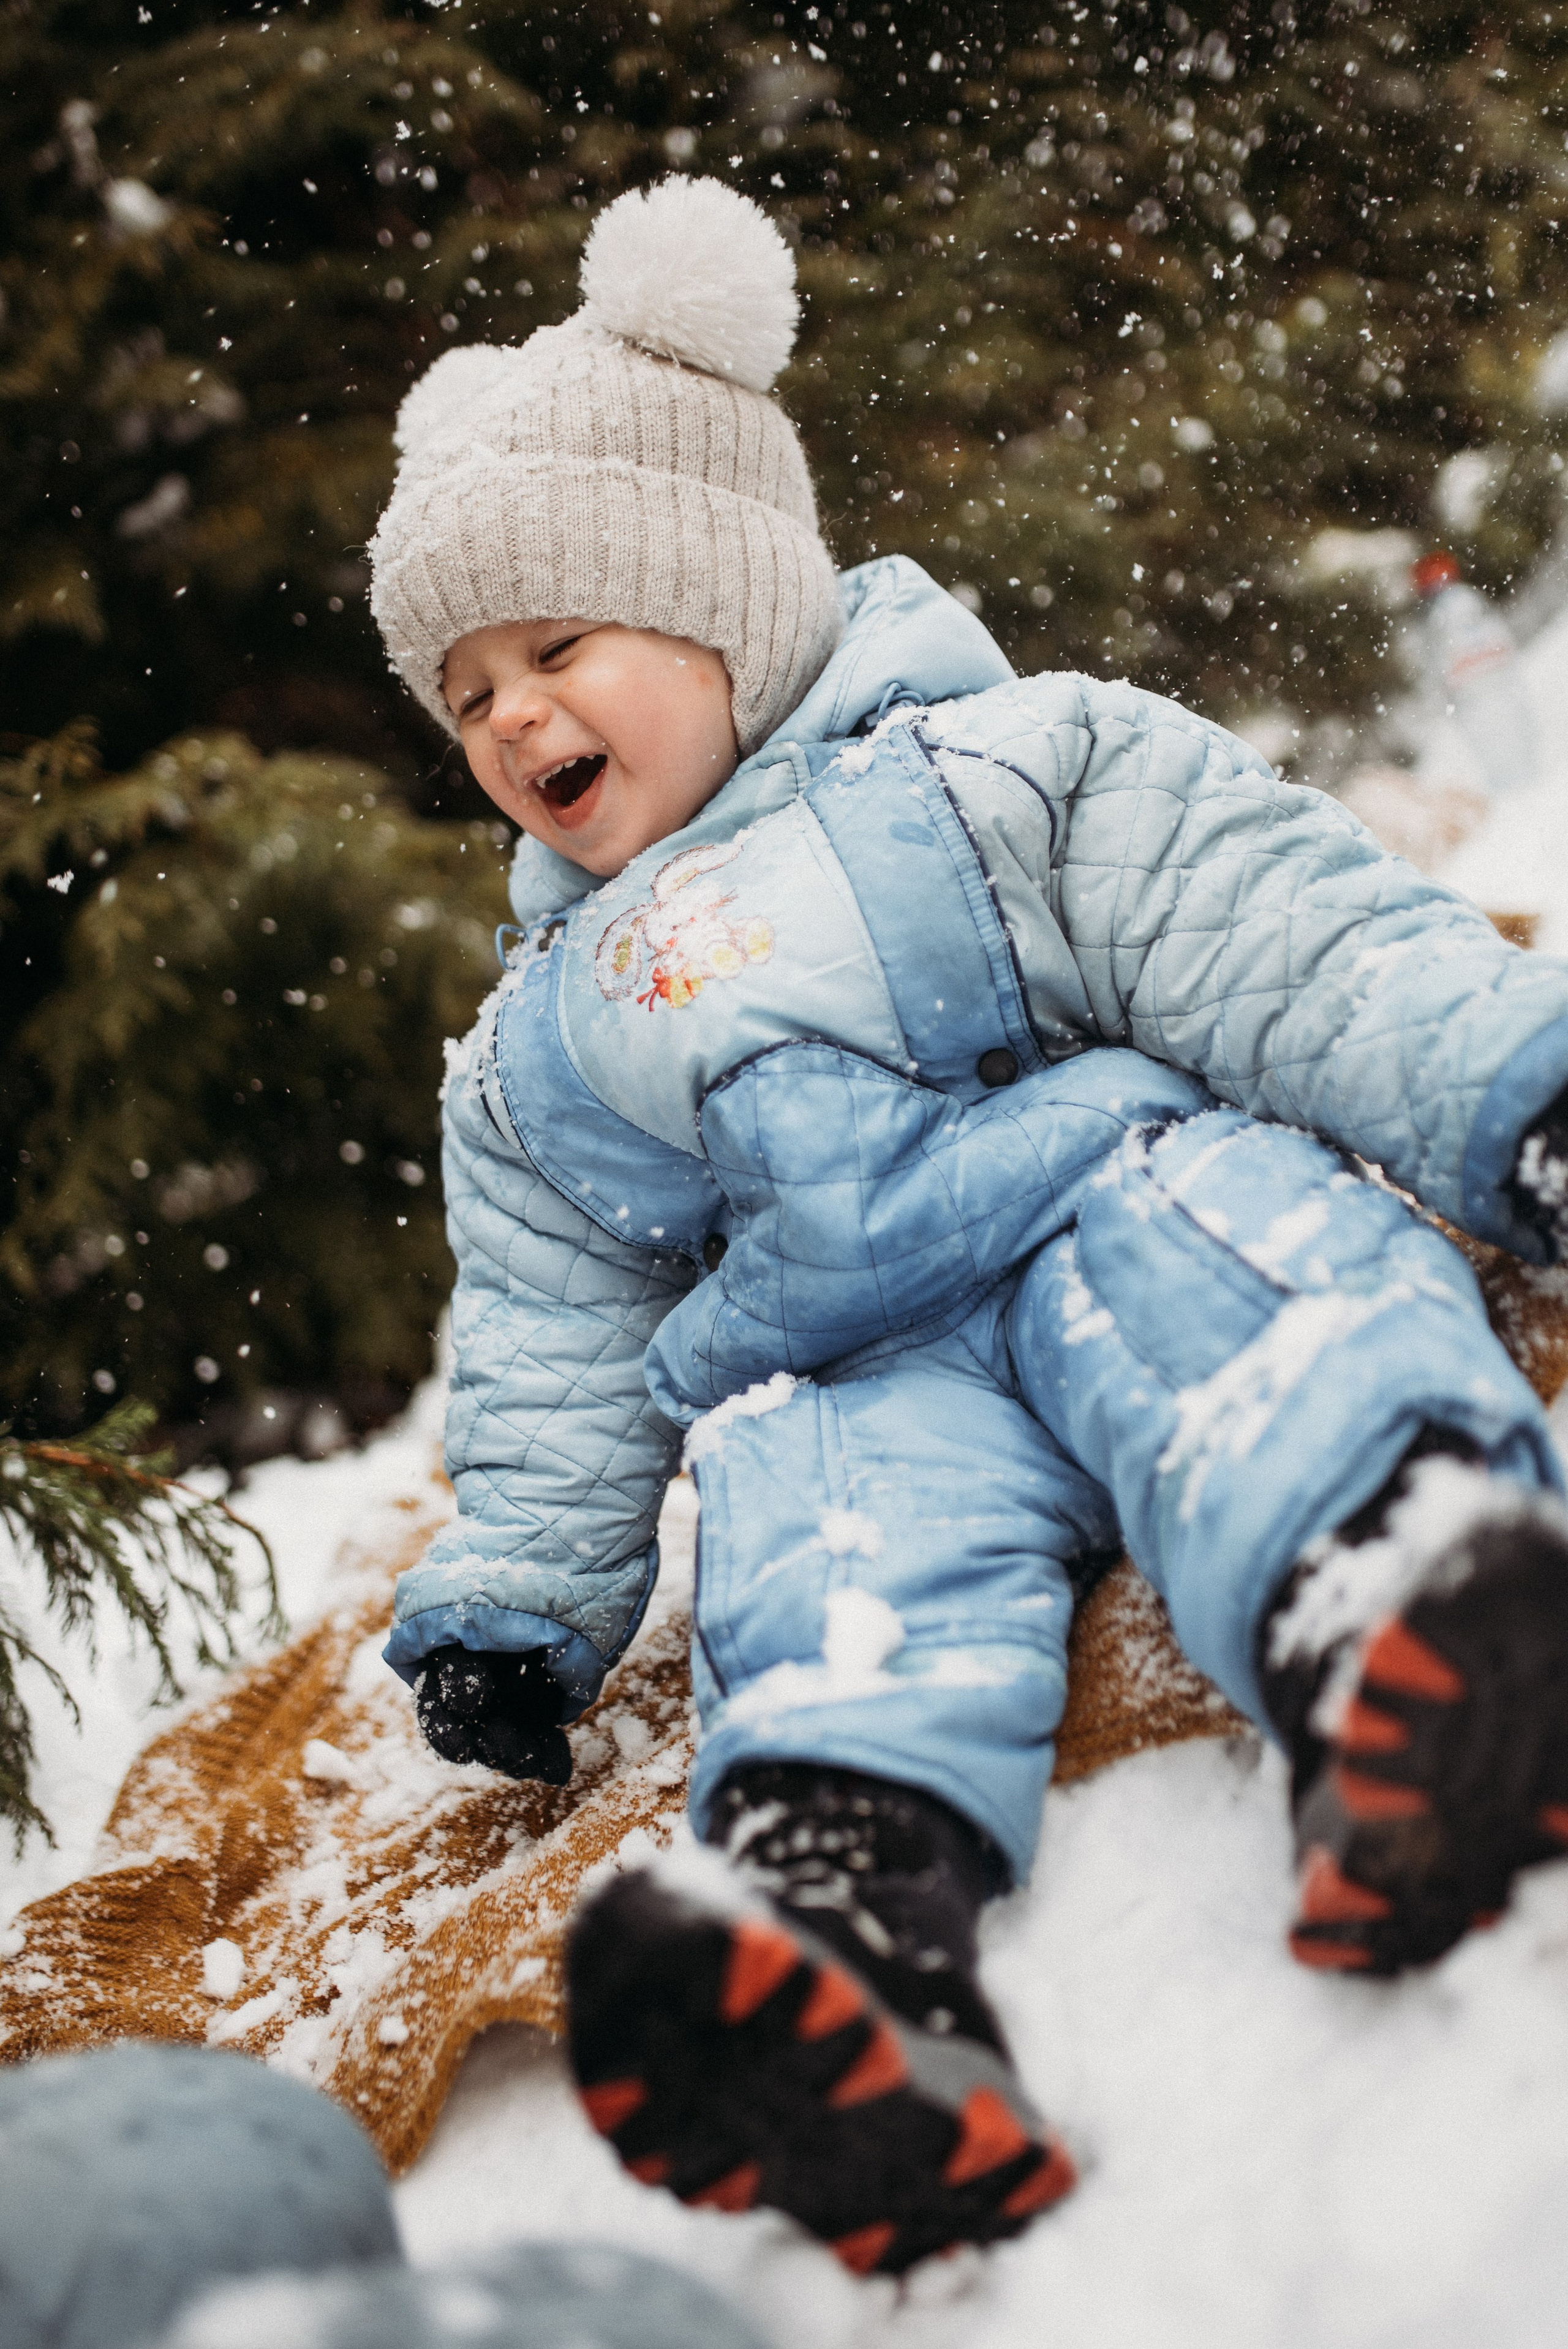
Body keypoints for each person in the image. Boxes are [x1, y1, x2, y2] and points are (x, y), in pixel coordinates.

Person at [366, 178, 1568, 2277]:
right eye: (467, 694)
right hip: (843, 1369)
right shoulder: (535, 1049)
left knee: (1259, 1305)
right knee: (821, 1565)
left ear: (725, 601)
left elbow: (1276, 930)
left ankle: (1415, 1632)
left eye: (559, 645)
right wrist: (522, 1599)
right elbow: (553, 1329)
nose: (516, 718)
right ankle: (844, 1963)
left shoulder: (992, 767)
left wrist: (1506, 1089)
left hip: (1101, 1183)